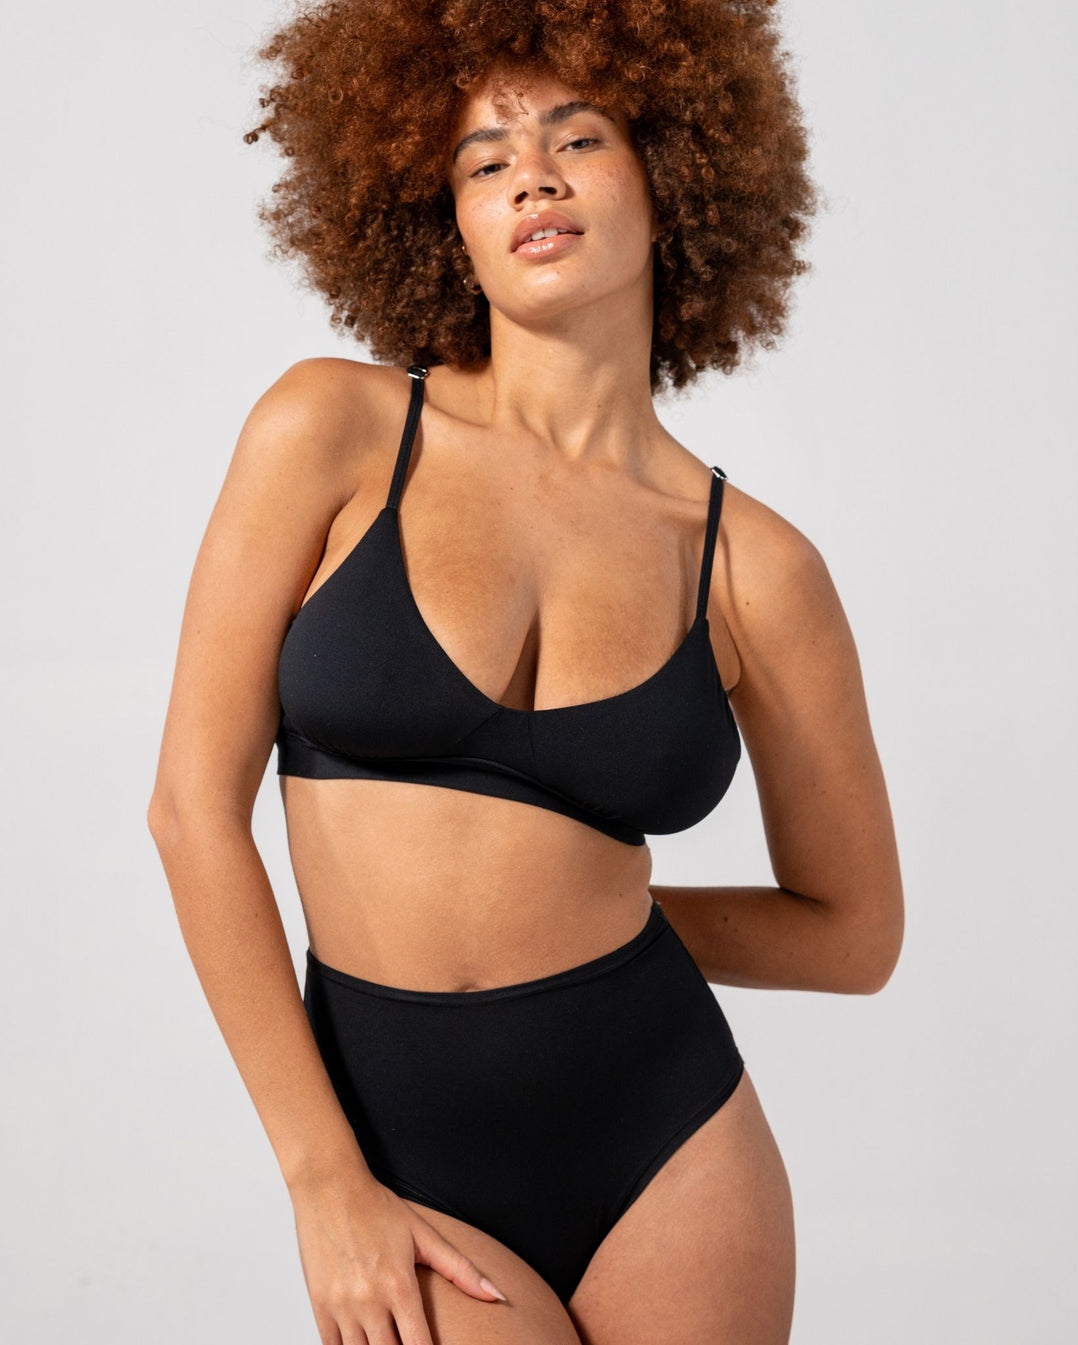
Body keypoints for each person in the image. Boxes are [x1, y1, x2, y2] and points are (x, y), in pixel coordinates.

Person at [148, 3, 905, 1342]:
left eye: (578, 138)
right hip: (393, 1150)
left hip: (670, 1147)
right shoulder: (332, 431)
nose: (533, 179)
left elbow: (854, 933)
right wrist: (324, 1182)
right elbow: (191, 813)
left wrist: (591, 927)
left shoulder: (754, 567)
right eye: (485, 161)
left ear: (674, 179)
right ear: (445, 220)